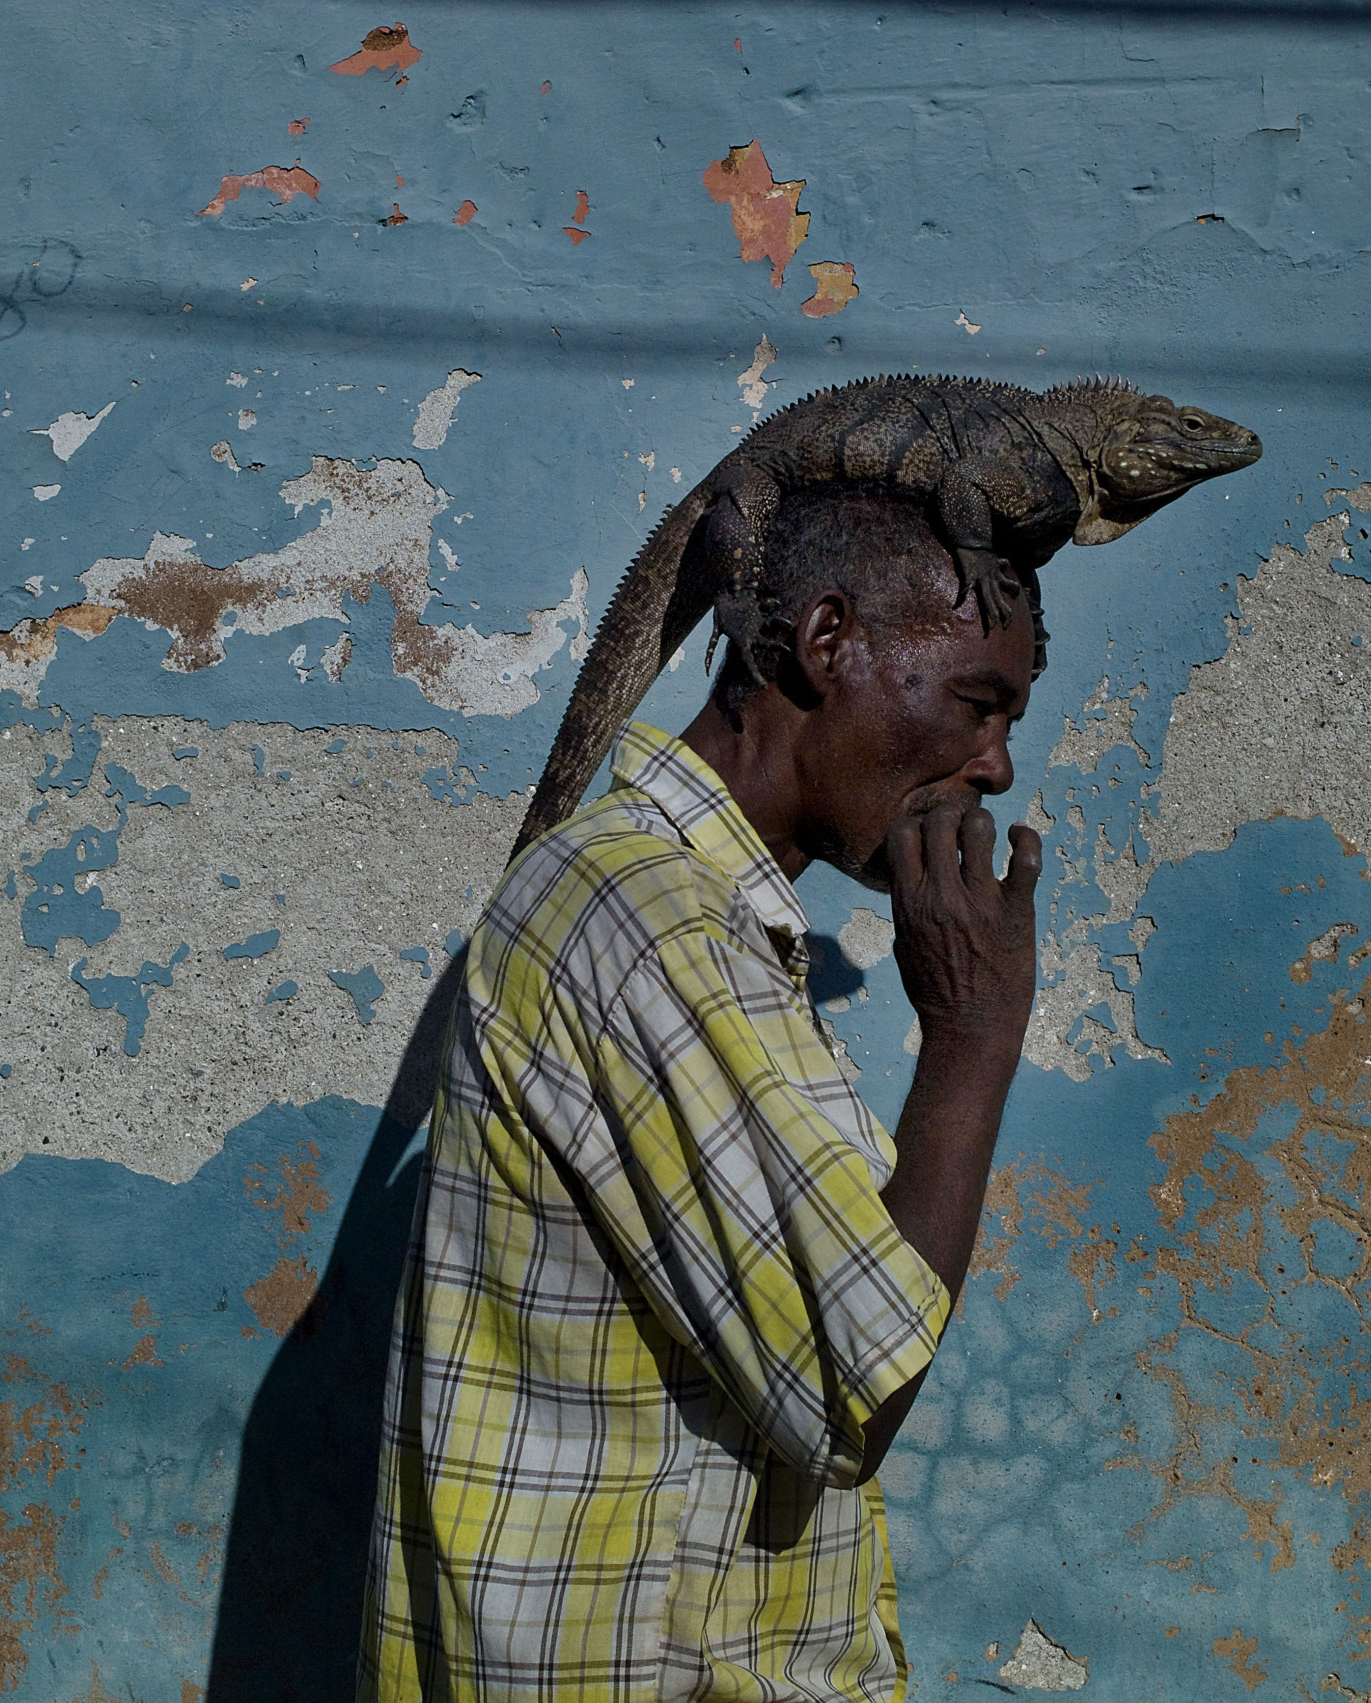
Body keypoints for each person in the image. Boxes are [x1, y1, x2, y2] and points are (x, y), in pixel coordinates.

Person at [361, 481, 1045, 1701]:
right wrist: (972, 1039)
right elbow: (851, 1387)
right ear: (827, 641)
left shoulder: (689, 911)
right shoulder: (654, 920)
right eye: (976, 703)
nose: (992, 765)